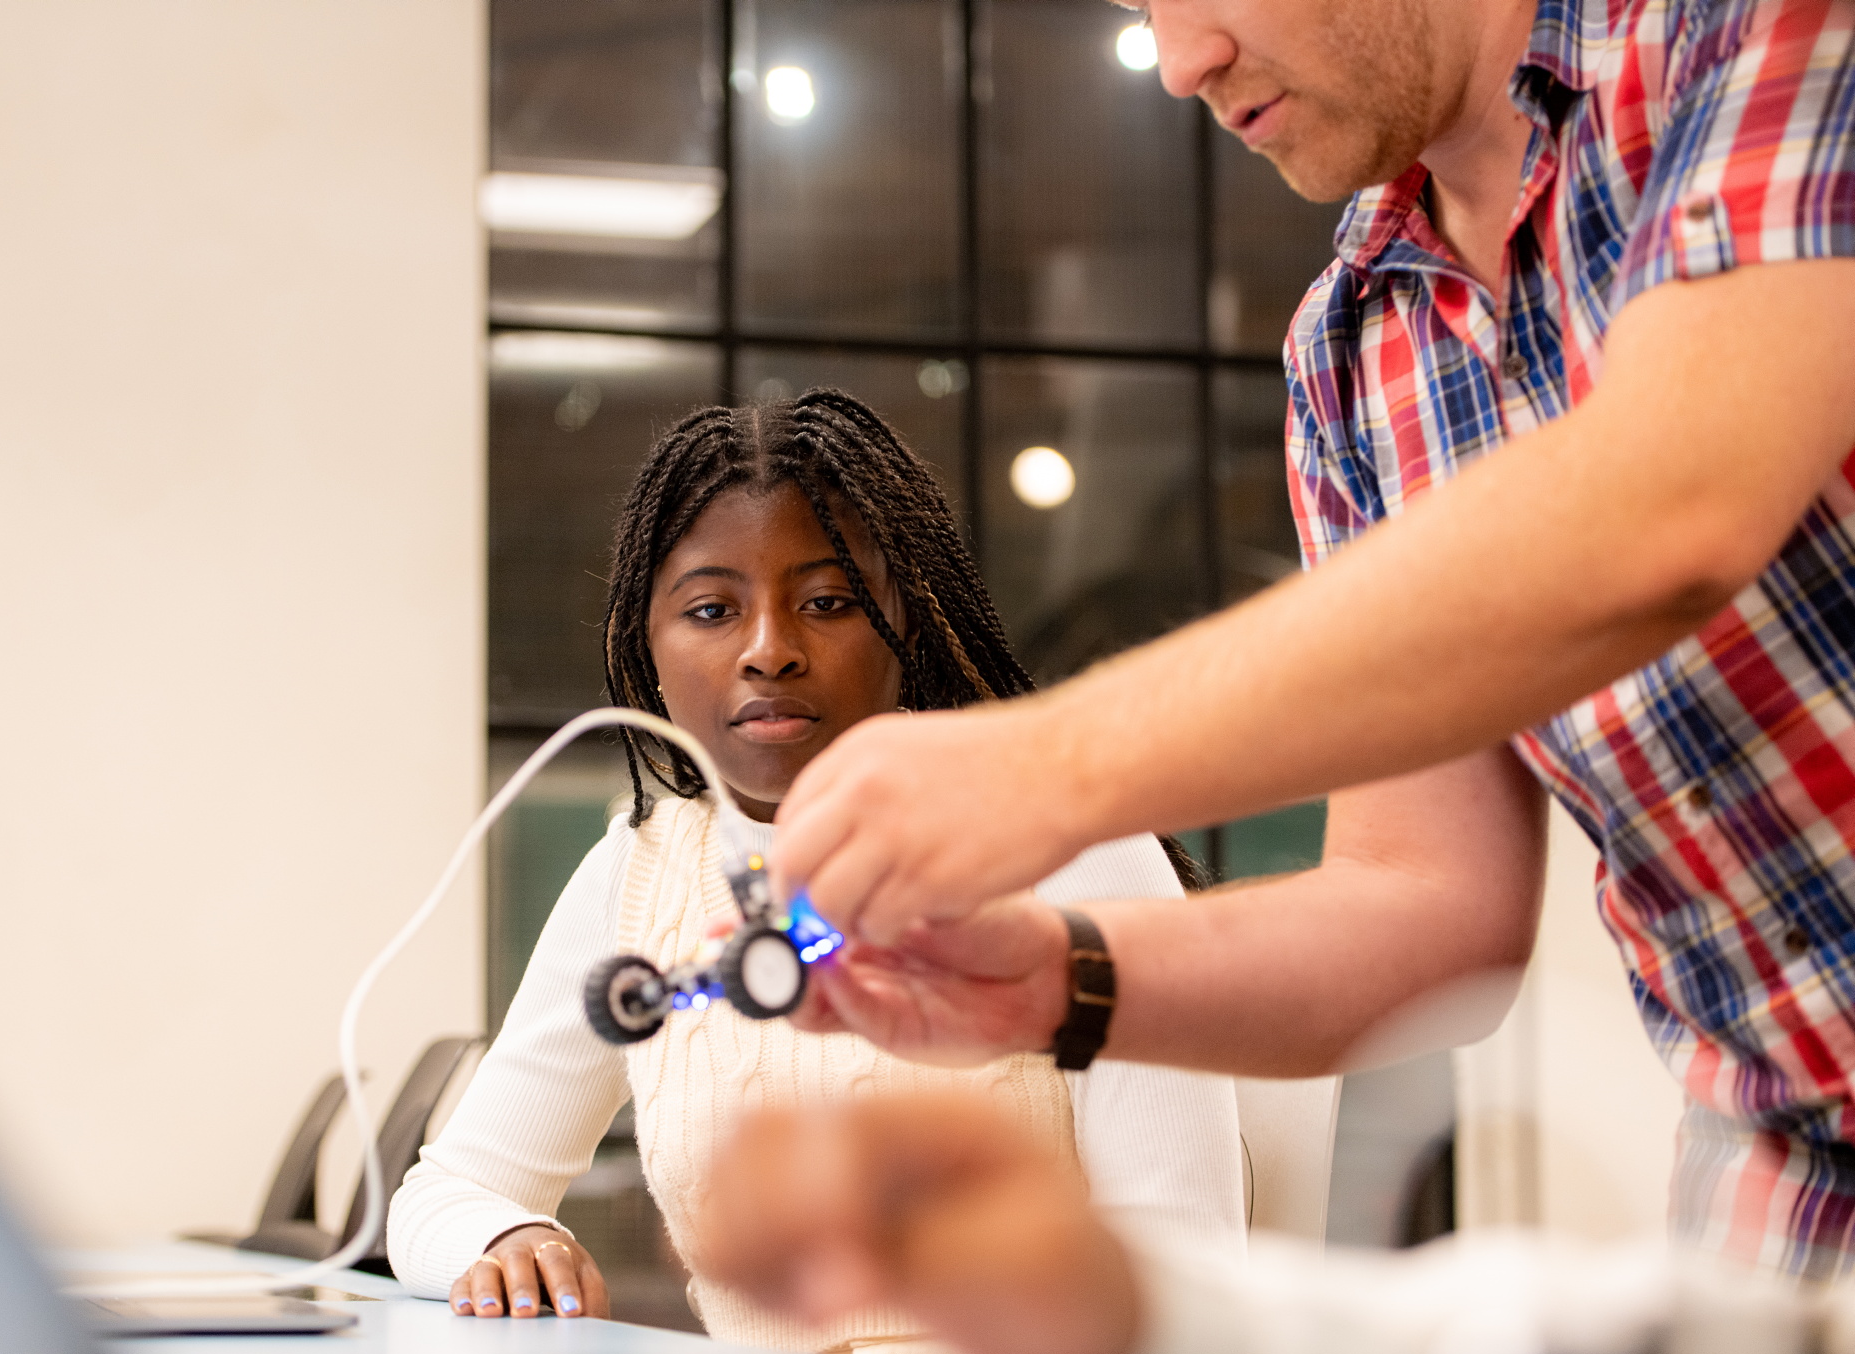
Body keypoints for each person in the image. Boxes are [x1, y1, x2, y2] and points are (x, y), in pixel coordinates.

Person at [756, 0, 1855, 1282]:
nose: (1179, 63)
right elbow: (1426, 906)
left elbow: (1670, 509)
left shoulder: (1747, 30)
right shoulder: (1350, 351)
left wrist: (1040, 766)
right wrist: (1045, 981)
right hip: (1775, 1168)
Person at [385, 389, 1243, 1354]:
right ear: (646, 645)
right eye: (711, 610)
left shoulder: (1069, 846)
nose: (768, 651)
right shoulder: (638, 873)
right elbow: (445, 1193)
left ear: (907, 619)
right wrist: (505, 1236)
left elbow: (1183, 1264)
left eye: (828, 603)